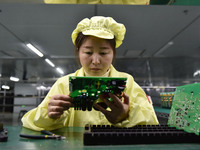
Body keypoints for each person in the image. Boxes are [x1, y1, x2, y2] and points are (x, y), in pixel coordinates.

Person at [22, 16, 159, 131]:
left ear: (113, 53)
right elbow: (29, 123)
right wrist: (49, 115)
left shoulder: (127, 82)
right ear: (78, 52)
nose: (95, 61)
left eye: (104, 53)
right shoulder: (64, 84)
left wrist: (127, 115)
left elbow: (152, 122)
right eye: (88, 52)